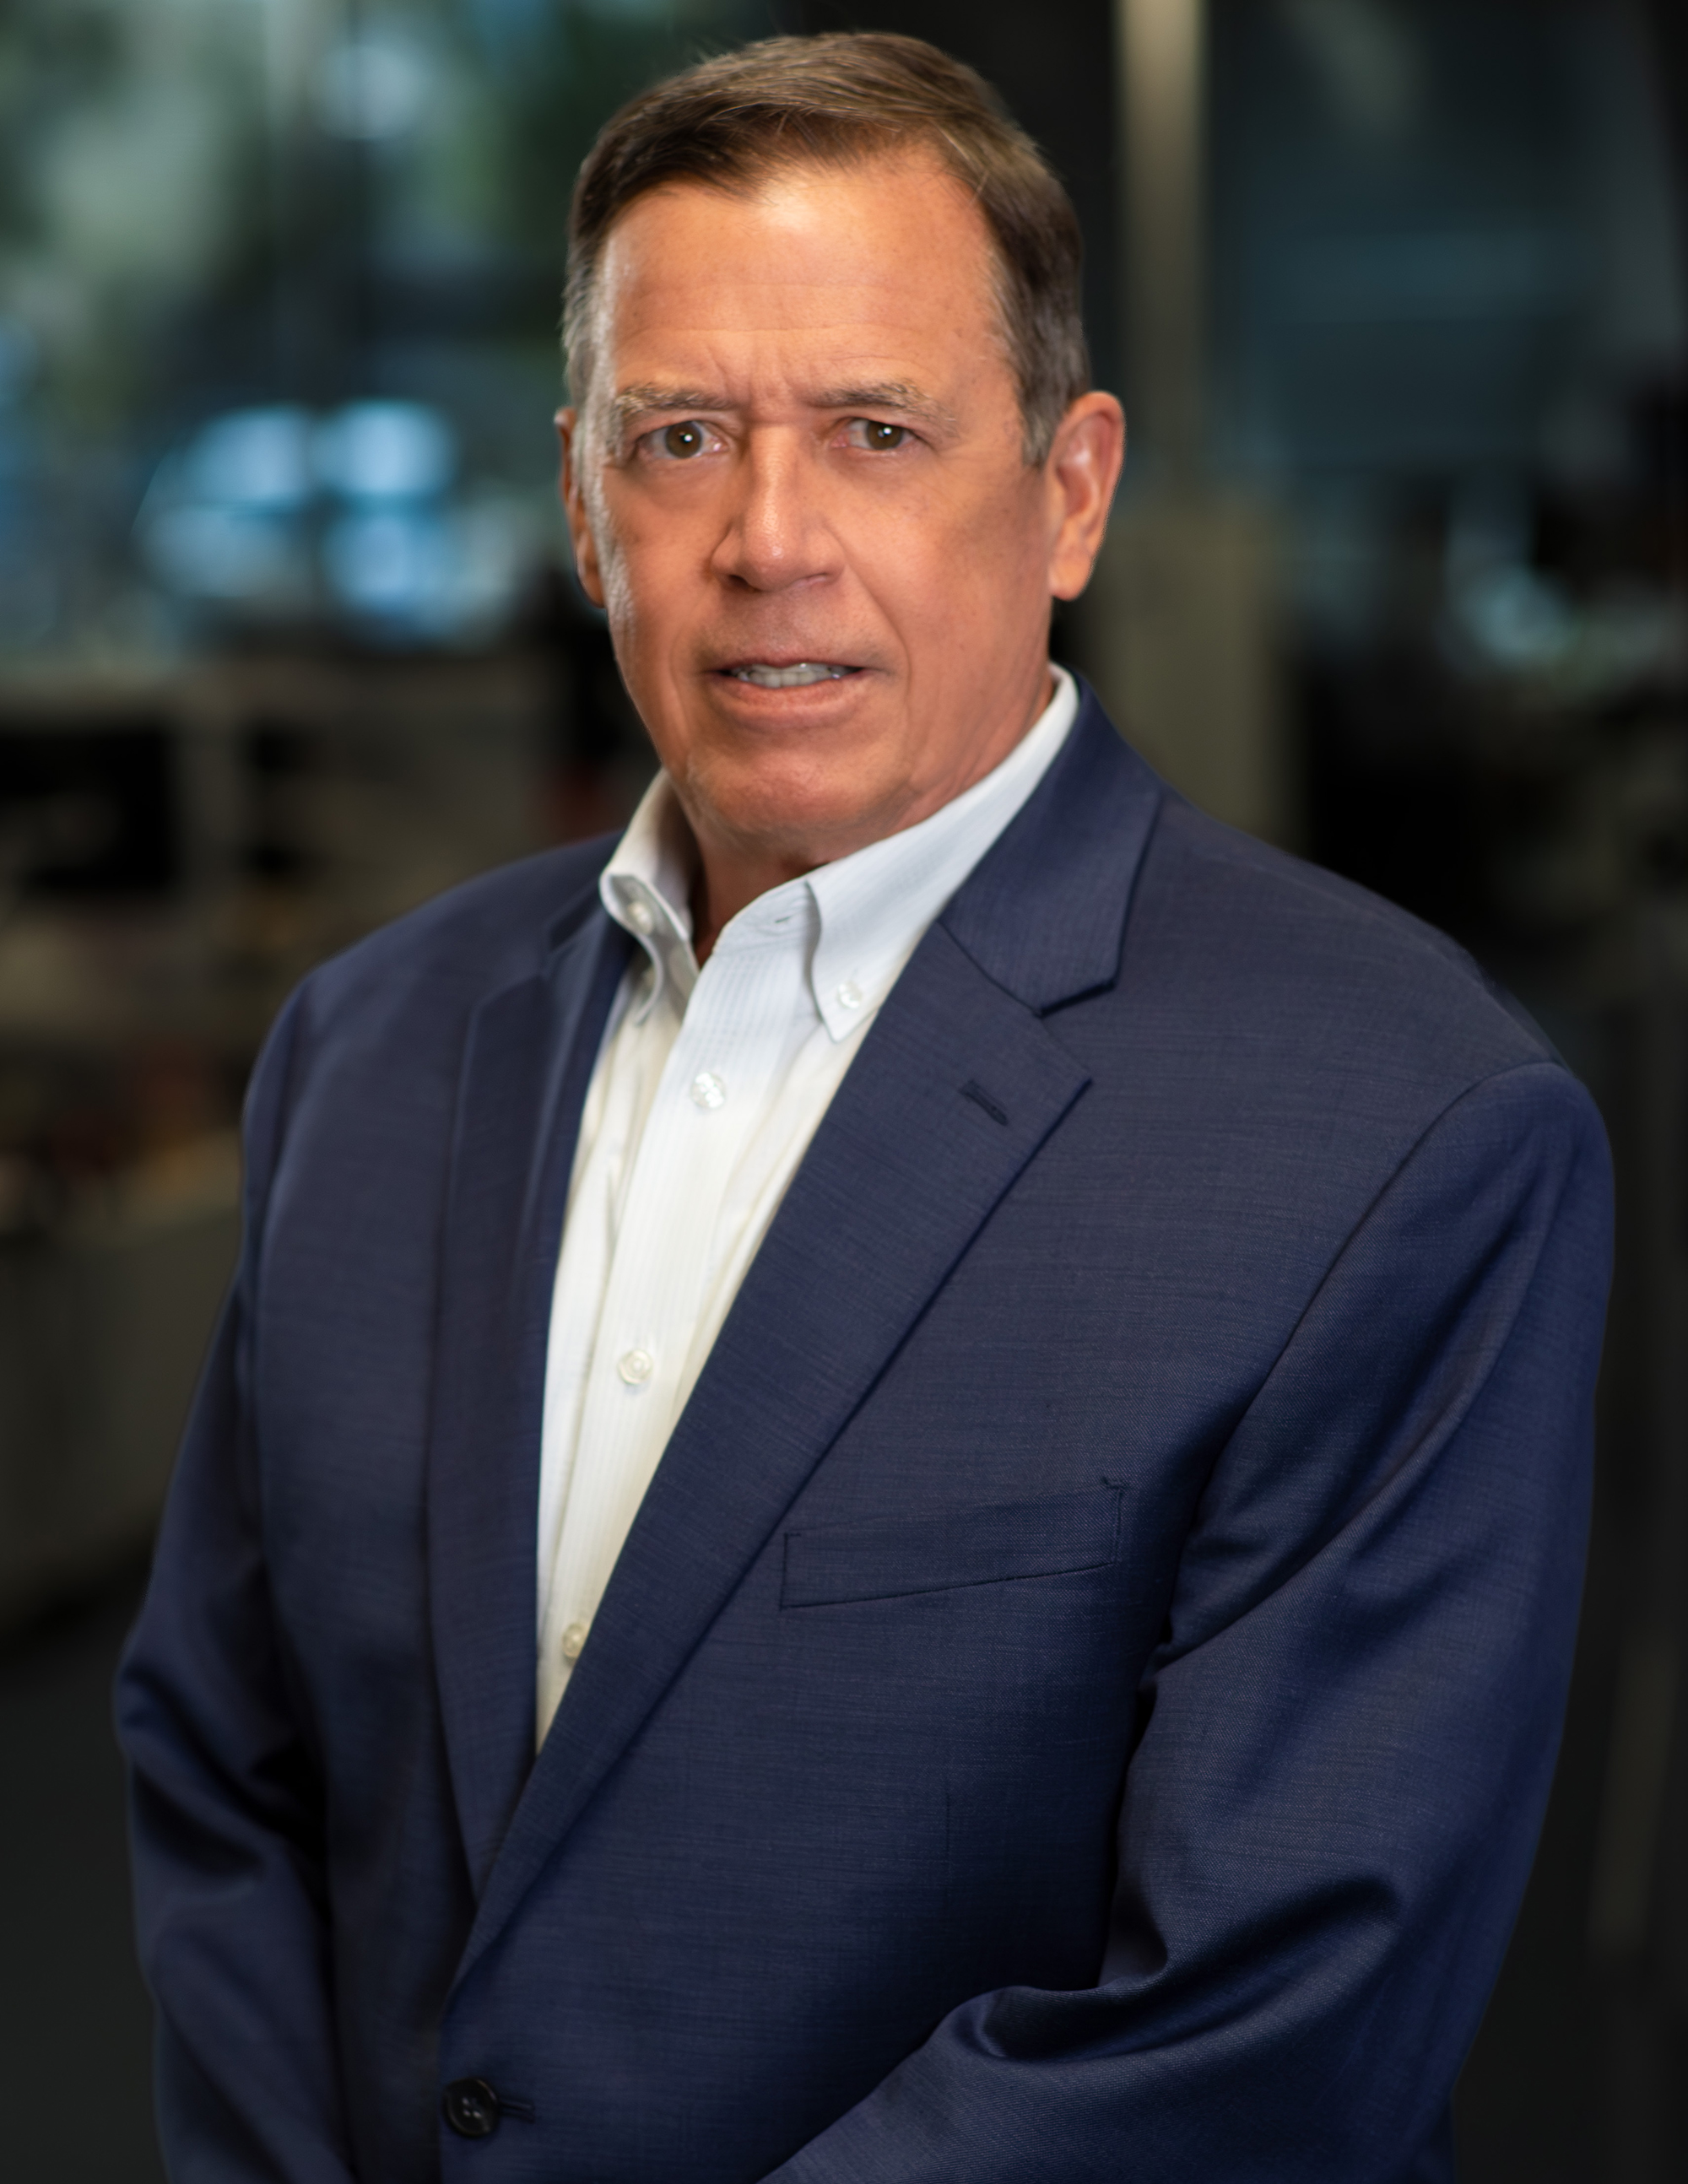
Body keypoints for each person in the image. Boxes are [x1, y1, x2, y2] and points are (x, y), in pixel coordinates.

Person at [117, 32, 1612, 2184]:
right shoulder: (364, 1051)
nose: (768, 539)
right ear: (581, 503)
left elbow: (1267, 2025)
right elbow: (226, 1775)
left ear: (1071, 491)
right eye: (679, 437)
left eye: (876, 431)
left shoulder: (1403, 1127)